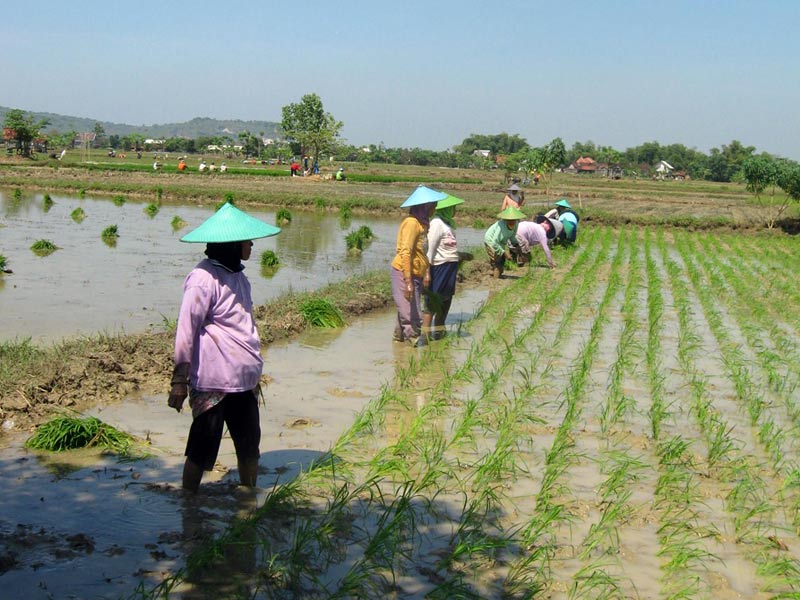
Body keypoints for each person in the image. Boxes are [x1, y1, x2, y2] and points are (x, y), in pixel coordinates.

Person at [168, 202, 281, 493]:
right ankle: (188, 505)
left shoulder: (240, 278)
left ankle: (248, 499)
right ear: (231, 244)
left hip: (243, 383)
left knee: (249, 447)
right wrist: (180, 380)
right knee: (201, 451)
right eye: (247, 240)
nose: (252, 244)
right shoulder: (203, 279)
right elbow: (186, 330)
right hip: (214, 383)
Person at [391, 185, 447, 346]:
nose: (434, 209)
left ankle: (399, 340)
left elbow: (422, 252)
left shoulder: (423, 224)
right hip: (403, 271)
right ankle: (413, 341)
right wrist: (407, 281)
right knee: (411, 312)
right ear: (425, 206)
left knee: (406, 306)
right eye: (433, 205)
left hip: (416, 272)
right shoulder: (411, 223)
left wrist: (426, 272)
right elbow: (406, 252)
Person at [422, 194, 466, 340]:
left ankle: (439, 331)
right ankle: (426, 335)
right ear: (447, 208)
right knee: (432, 302)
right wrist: (427, 273)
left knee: (446, 300)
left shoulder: (448, 224)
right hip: (439, 268)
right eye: (454, 207)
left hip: (450, 269)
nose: (455, 210)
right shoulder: (436, 223)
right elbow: (430, 249)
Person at [485, 206, 525, 279]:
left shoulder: (516, 224)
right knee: (498, 262)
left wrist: (518, 246)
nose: (511, 222)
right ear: (505, 219)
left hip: (500, 243)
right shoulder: (501, 226)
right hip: (491, 241)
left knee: (502, 260)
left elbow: (512, 236)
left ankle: (494, 271)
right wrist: (505, 253)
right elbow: (494, 243)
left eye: (513, 220)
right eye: (509, 220)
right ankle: (495, 280)